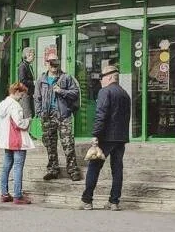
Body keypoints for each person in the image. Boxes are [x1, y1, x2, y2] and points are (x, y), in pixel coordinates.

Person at [81, 65, 131, 211]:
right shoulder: (125, 94)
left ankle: (87, 200)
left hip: (106, 136)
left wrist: (96, 135)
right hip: (120, 137)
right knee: (117, 169)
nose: (100, 80)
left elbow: (101, 114)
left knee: (94, 167)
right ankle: (114, 202)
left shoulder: (105, 91)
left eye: (101, 77)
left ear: (109, 77)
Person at [34, 58, 81, 181]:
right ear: (47, 64)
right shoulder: (41, 79)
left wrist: (61, 91)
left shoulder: (66, 78)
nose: (54, 67)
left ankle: (73, 170)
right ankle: (53, 170)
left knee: (68, 143)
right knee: (50, 144)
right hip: (47, 116)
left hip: (63, 115)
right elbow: (37, 97)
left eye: (56, 65)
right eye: (52, 64)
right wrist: (39, 112)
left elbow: (75, 93)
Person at [0, 82, 35, 204]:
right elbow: (19, 123)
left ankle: (4, 193)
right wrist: (28, 121)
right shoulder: (15, 106)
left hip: (6, 140)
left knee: (6, 166)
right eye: (21, 95)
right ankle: (18, 195)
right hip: (17, 140)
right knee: (18, 167)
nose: (21, 98)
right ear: (17, 92)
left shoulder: (3, 104)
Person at [17, 47, 36, 119]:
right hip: (25, 93)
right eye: (33, 54)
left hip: (30, 93)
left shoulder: (28, 65)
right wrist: (33, 82)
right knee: (27, 115)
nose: (34, 56)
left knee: (31, 114)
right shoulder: (22, 66)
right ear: (27, 55)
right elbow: (22, 80)